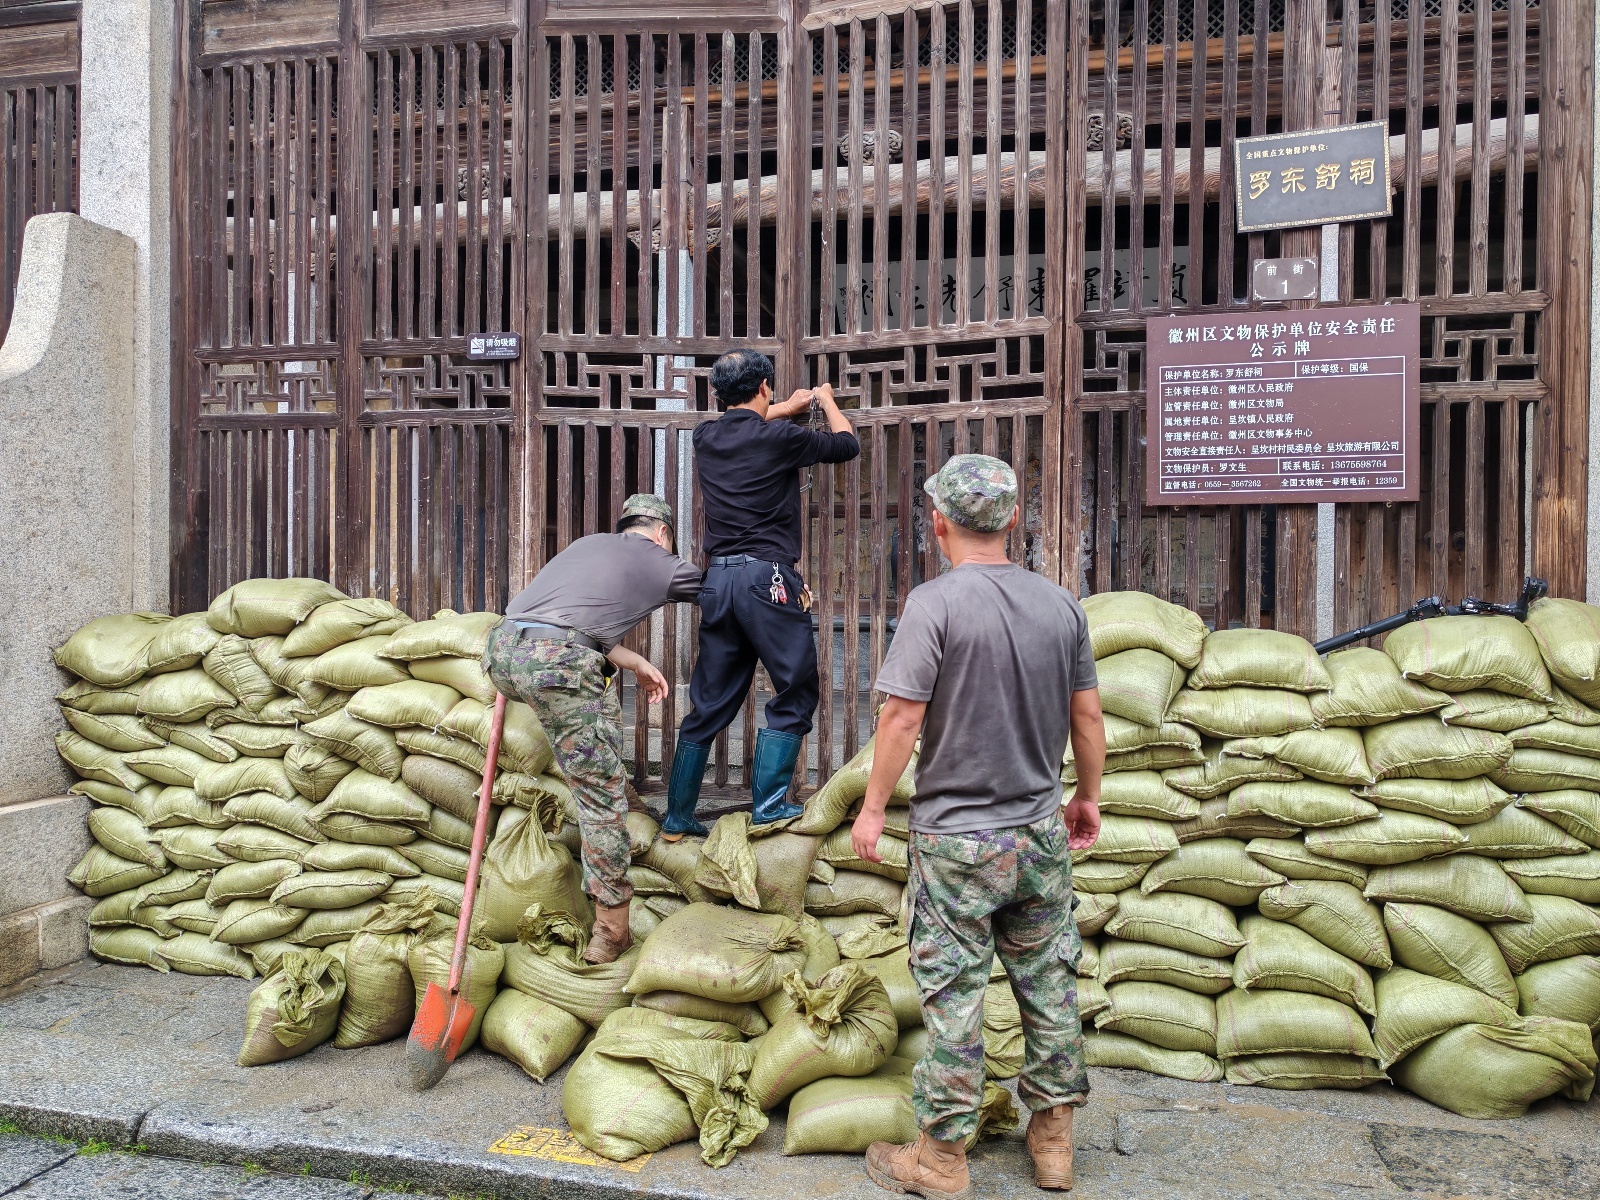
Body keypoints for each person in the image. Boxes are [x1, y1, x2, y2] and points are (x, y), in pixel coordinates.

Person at [848, 454, 1105, 1200]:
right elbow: (1086, 714)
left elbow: (901, 716)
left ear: (939, 523)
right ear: (1013, 520)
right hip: (1037, 833)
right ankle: (1054, 1142)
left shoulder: (935, 603)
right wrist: (1086, 796)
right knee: (1049, 984)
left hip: (956, 842)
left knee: (955, 996)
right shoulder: (1060, 605)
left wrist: (871, 809)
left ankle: (941, 1159)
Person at [481, 494, 701, 964]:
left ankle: (612, 776)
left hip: (502, 650)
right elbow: (717, 587)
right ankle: (610, 929)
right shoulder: (657, 558)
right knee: (597, 798)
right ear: (662, 533)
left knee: (593, 700)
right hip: (556, 665)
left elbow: (570, 625)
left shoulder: (589, 545)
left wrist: (636, 660)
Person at [660, 349, 860, 839]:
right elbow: (845, 443)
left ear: (716, 395)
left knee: (709, 701)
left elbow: (747, 420)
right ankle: (769, 805)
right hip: (765, 579)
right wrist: (827, 400)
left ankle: (677, 818)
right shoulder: (779, 438)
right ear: (765, 386)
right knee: (796, 686)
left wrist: (786, 405)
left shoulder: (706, 437)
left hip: (718, 581)